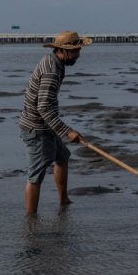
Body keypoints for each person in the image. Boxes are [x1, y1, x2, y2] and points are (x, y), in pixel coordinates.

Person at [19, 31, 92, 215]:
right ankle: (31, 220)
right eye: (75, 50)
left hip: (47, 124)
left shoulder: (55, 62)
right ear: (63, 51)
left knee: (62, 158)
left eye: (78, 49)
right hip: (36, 127)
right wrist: (67, 131)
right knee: (35, 176)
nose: (78, 54)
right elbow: (43, 108)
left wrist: (60, 130)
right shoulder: (52, 70)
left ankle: (63, 200)